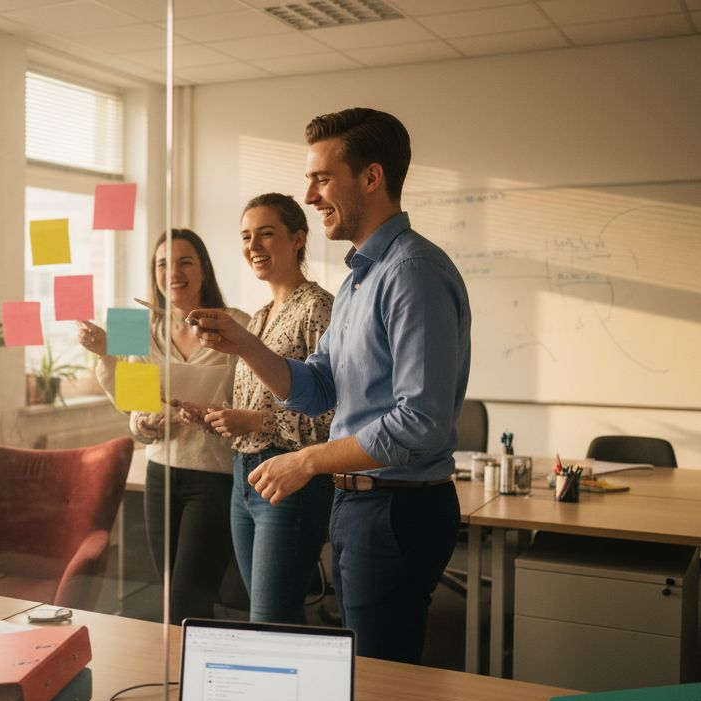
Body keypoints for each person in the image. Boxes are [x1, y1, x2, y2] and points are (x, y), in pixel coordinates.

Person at [189, 108, 471, 664]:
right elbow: (318, 385)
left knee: (379, 676)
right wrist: (245, 343)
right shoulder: (361, 277)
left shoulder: (411, 272)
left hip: (396, 506)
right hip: (359, 502)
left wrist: (308, 460)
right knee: (359, 670)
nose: (311, 195)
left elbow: (421, 420)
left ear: (371, 178)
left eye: (322, 178)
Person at [78, 230, 250, 624]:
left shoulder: (236, 323)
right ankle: (181, 675)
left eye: (185, 261)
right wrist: (140, 420)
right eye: (162, 264)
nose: (173, 272)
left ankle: (198, 678)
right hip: (160, 472)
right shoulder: (140, 327)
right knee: (171, 593)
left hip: (214, 475)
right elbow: (133, 406)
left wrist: (213, 416)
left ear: (203, 268)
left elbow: (253, 400)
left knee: (190, 597)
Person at [182, 193, 334, 625]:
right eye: (247, 236)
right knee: (267, 618)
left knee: (270, 620)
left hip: (290, 480)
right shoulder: (260, 316)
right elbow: (254, 402)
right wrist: (217, 417)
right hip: (242, 479)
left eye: (266, 234)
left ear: (298, 240)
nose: (254, 246)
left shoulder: (318, 308)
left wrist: (253, 420)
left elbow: (332, 415)